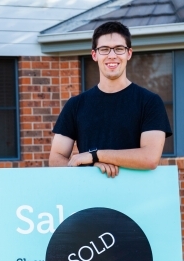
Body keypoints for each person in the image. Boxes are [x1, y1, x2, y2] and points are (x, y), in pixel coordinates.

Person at [48, 21, 172, 178]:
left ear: (129, 53)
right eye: (104, 49)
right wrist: (92, 166)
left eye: (119, 49)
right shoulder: (76, 105)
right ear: (95, 55)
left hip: (138, 195)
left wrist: (95, 155)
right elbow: (55, 159)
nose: (112, 55)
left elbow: (150, 158)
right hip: (89, 197)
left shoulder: (149, 102)